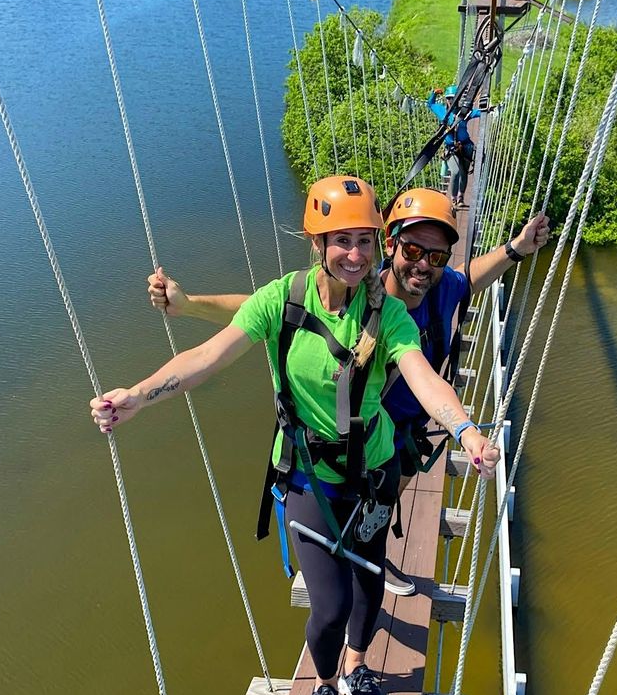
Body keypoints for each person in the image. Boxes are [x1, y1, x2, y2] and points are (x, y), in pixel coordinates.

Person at [90, 176, 499, 695]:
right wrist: (137, 395)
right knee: (329, 606)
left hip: (374, 476)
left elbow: (421, 375)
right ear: (316, 243)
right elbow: (208, 356)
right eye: (340, 241)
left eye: (363, 240)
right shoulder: (280, 301)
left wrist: (466, 430)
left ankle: (358, 670)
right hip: (309, 474)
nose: (354, 255)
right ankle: (326, 685)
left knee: (370, 586)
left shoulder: (389, 316)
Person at [146, 187, 550, 596]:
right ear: (390, 246)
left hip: (408, 427)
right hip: (361, 430)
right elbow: (268, 309)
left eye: (436, 257)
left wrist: (516, 249)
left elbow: (469, 279)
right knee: (350, 517)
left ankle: (371, 561)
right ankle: (352, 570)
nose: (423, 266)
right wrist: (191, 305)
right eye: (411, 251)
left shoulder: (442, 288)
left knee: (384, 503)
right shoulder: (364, 297)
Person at [427, 85, 480, 204]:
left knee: (464, 172)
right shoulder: (442, 111)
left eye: (454, 98)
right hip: (451, 148)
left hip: (466, 146)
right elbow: (430, 104)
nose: (452, 101)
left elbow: (477, 113)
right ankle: (453, 198)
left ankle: (461, 197)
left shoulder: (464, 112)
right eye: (449, 98)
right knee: (455, 172)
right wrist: (434, 93)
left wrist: (491, 109)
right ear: (446, 99)